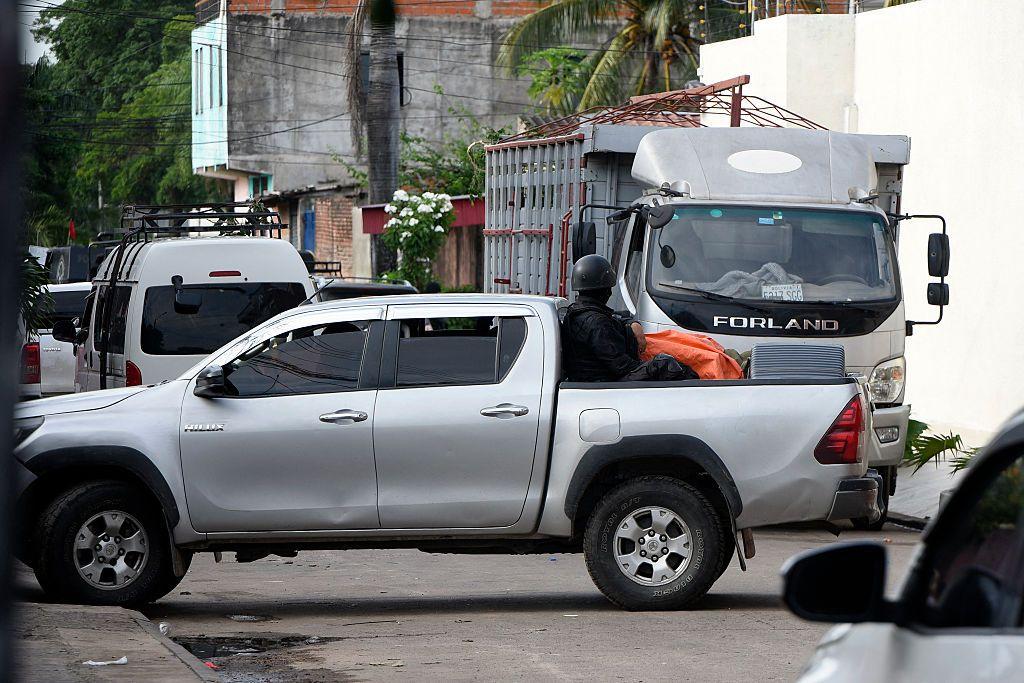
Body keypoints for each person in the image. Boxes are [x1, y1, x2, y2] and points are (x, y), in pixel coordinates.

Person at [562, 254, 698, 382]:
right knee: (664, 364)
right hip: (604, 383)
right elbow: (622, 366)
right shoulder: (596, 322)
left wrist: (633, 324)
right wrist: (650, 365)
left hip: (601, 379)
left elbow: (617, 318)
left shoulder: (578, 311)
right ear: (604, 289)